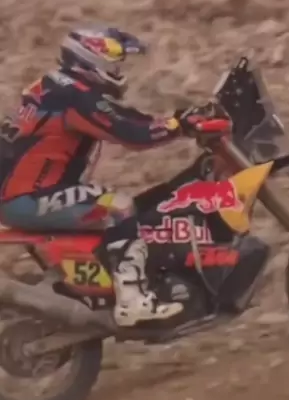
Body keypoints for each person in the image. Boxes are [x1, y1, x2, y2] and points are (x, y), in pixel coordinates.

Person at [0, 26, 197, 327]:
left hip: (23, 193)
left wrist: (177, 120)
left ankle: (114, 282)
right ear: (91, 61)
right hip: (27, 197)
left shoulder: (59, 86)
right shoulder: (74, 96)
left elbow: (123, 116)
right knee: (118, 206)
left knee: (118, 203)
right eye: (114, 64)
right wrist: (179, 126)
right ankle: (132, 302)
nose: (119, 71)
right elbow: (131, 134)